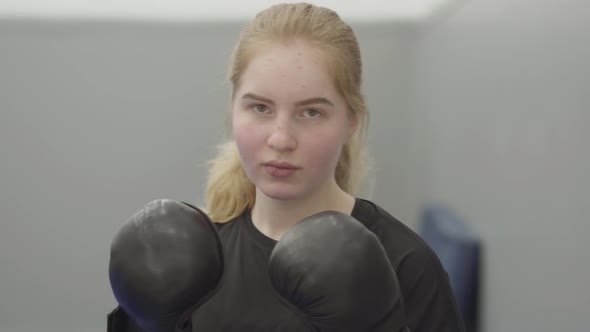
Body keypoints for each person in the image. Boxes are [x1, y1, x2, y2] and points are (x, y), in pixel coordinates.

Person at [107, 3, 466, 331]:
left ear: (351, 121)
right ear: (234, 108)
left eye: (311, 112)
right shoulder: (190, 261)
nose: (281, 139)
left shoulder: (406, 265)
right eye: (260, 108)